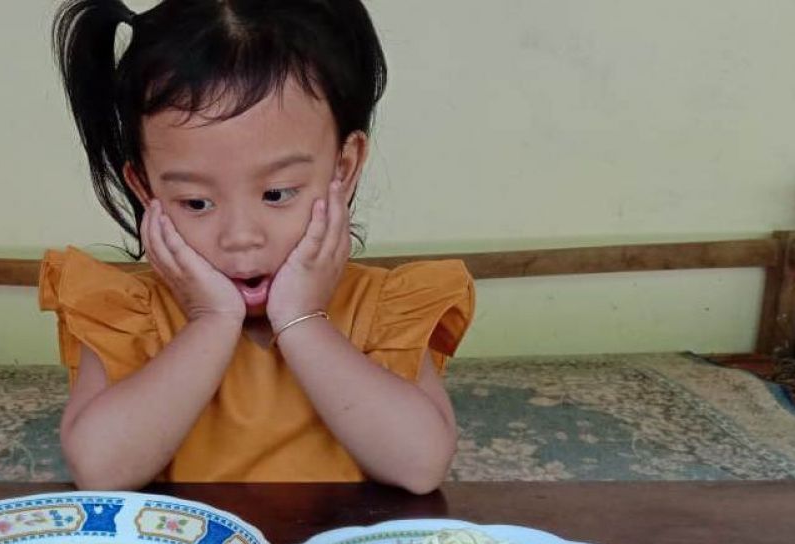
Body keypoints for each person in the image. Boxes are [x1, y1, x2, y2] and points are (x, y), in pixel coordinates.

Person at [41, 0, 474, 493]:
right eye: (196, 201)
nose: (240, 236)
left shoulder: (380, 310)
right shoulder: (130, 315)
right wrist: (211, 321)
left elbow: (420, 467)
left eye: (276, 194)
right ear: (145, 189)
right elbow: (100, 472)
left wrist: (302, 319)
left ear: (343, 167)